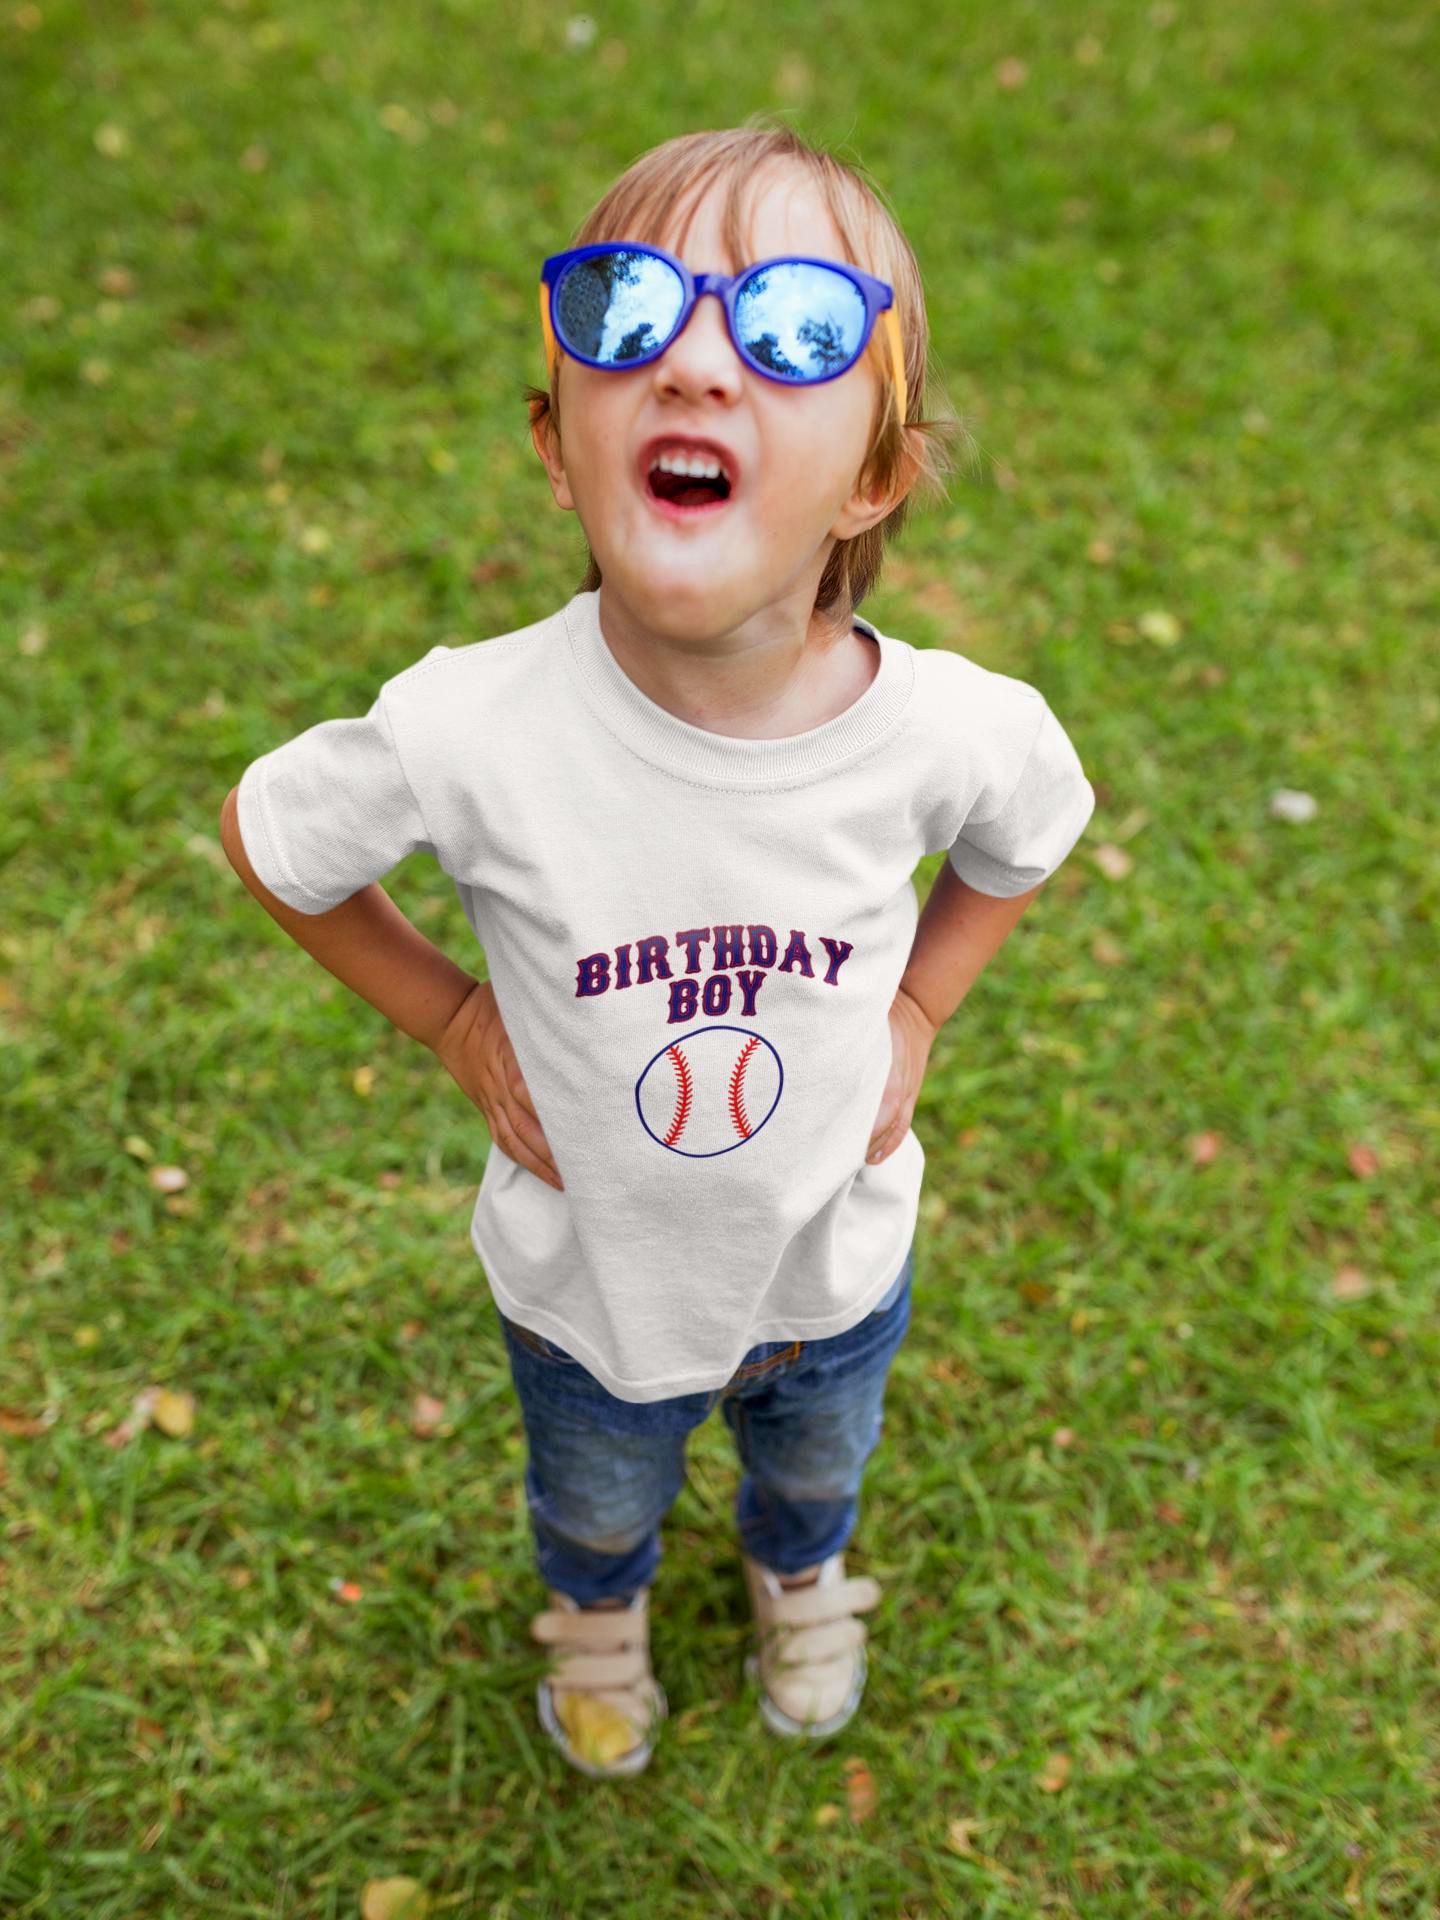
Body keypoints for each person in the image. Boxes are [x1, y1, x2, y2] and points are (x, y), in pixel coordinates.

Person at [219, 118, 1097, 1781]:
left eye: (795, 327)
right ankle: (601, 1617)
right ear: (561, 444)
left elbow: (1027, 837)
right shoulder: (472, 728)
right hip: (586, 1295)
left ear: (876, 472)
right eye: (630, 309)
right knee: (595, 1493)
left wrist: (918, 1003)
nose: (697, 361)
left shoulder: (949, 730)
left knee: (815, 1464)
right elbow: (276, 844)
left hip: (832, 1269)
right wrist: (454, 1023)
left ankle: (802, 1571)